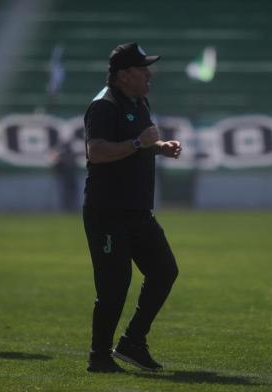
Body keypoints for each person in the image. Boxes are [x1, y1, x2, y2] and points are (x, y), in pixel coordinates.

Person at [83, 43, 182, 373]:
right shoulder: (104, 105)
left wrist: (157, 148)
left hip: (137, 210)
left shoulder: (139, 101)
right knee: (114, 285)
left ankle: (133, 342)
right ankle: (99, 357)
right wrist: (140, 143)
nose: (149, 74)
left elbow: (134, 144)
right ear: (124, 75)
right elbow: (96, 151)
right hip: (108, 211)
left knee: (165, 270)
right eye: (142, 69)